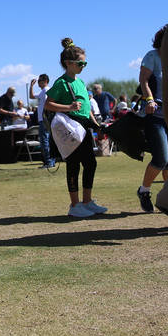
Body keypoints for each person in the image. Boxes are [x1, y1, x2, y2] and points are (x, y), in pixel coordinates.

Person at [44, 38, 107, 218]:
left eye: (85, 63)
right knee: (73, 165)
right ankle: (75, 205)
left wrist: (96, 125)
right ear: (68, 63)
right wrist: (68, 108)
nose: (83, 66)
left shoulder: (80, 82)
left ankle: (87, 202)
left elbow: (87, 109)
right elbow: (48, 105)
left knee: (90, 163)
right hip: (70, 130)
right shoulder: (62, 83)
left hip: (84, 129)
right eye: (81, 63)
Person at [135, 26, 168, 212]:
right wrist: (150, 99)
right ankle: (144, 191)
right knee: (161, 159)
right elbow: (143, 80)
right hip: (155, 114)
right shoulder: (152, 56)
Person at [28, 74, 55, 168]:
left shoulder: (47, 90)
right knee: (45, 140)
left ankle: (49, 162)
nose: (38, 82)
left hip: (45, 119)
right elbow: (31, 96)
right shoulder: (42, 92)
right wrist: (31, 86)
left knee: (45, 140)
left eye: (40, 81)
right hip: (42, 119)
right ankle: (49, 161)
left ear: (45, 81)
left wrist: (46, 116)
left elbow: (50, 104)